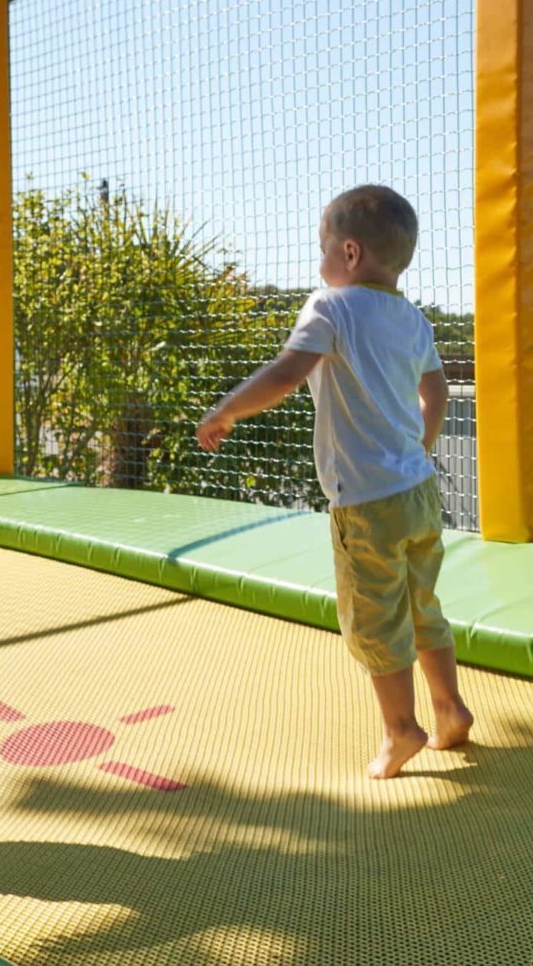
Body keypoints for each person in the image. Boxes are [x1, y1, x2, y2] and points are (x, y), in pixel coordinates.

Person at [197, 185, 473, 779]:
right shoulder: (412, 318)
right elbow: (437, 392)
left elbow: (287, 373)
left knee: (376, 619)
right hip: (420, 493)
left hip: (366, 504)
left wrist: (227, 410)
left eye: (322, 248)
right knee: (422, 603)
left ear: (349, 253)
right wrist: (418, 450)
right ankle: (450, 709)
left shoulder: (330, 307)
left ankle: (401, 730)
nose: (318, 260)